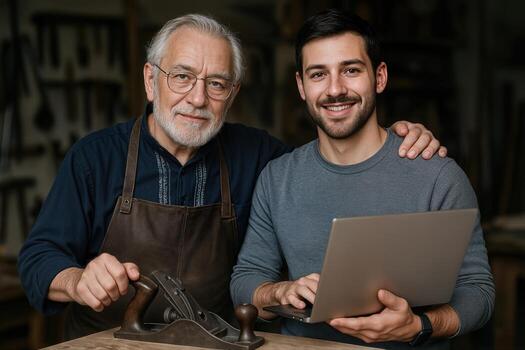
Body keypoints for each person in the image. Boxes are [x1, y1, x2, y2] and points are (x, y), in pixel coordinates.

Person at [18, 13, 446, 340]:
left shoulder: (260, 157)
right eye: (182, 77)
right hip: (109, 345)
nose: (198, 98)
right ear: (151, 81)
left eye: (217, 83)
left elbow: (334, 159)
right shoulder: (94, 158)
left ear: (233, 94)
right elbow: (38, 259)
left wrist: (393, 141)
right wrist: (76, 281)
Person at [230, 9, 494, 350]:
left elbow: (479, 292)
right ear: (301, 86)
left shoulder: (436, 174)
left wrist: (419, 326)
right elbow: (245, 279)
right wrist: (278, 291)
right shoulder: (277, 178)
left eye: (351, 70)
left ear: (379, 77)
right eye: (318, 74)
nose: (335, 89)